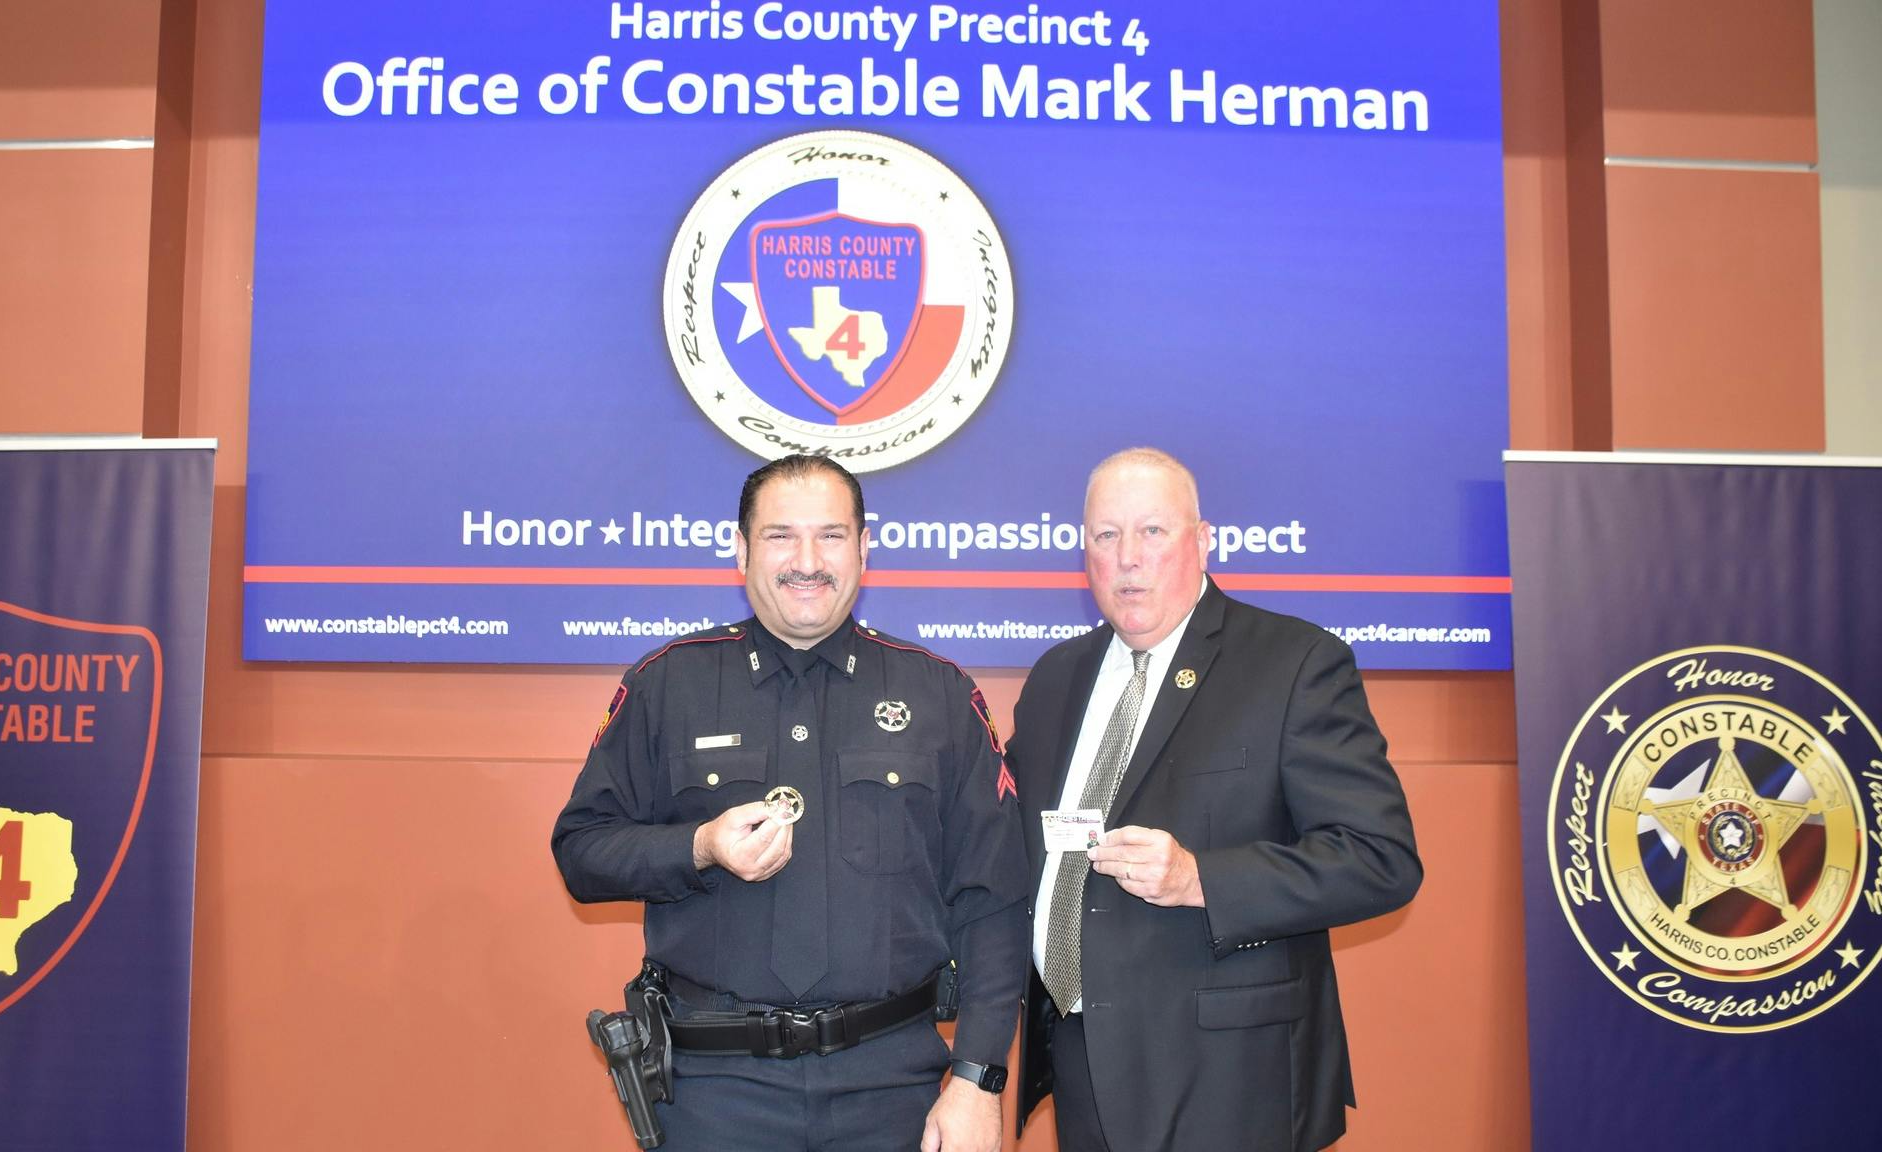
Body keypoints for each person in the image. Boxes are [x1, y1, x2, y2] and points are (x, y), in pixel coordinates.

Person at [554, 454, 1029, 1152]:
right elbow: (581, 851)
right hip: (715, 1092)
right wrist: (698, 847)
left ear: (865, 550)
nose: (807, 561)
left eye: (831, 536)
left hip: (893, 1086)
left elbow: (994, 902)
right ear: (741, 549)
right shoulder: (668, 686)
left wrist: (979, 1079)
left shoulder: (940, 697)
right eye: (781, 536)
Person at [1009, 447, 1422, 1152]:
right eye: (1106, 536)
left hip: (1231, 1076)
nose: (1127, 558)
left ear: (1203, 542)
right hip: (1085, 1064)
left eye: (1153, 532)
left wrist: (1203, 879)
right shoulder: (1056, 679)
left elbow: (1380, 859)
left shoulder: (1293, 664)